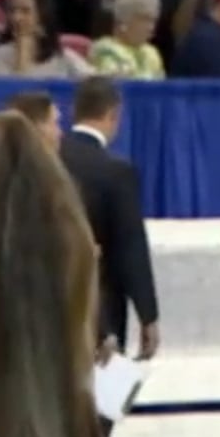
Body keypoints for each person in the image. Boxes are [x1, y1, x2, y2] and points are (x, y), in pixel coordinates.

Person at [59, 77, 160, 380]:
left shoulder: (47, 160)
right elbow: (130, 248)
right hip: (100, 303)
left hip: (49, 300)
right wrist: (148, 314)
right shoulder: (115, 171)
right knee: (101, 404)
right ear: (113, 114)